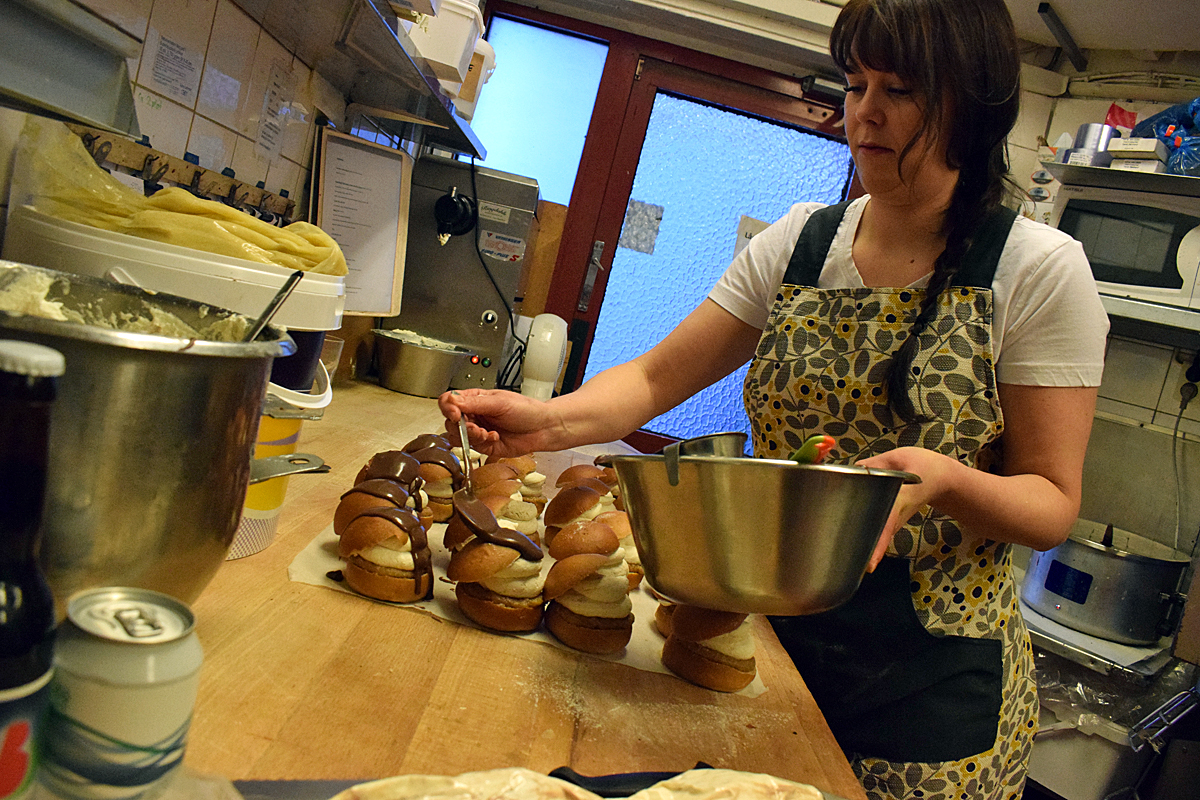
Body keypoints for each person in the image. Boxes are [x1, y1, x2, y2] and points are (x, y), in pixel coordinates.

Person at [440, 0, 1109, 797]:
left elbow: (1052, 500)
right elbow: (654, 379)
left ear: (970, 100)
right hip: (768, 644)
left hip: (925, 688)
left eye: (899, 90)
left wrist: (945, 481)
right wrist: (545, 420)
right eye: (856, 84)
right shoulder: (803, 243)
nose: (865, 113)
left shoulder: (1037, 271)